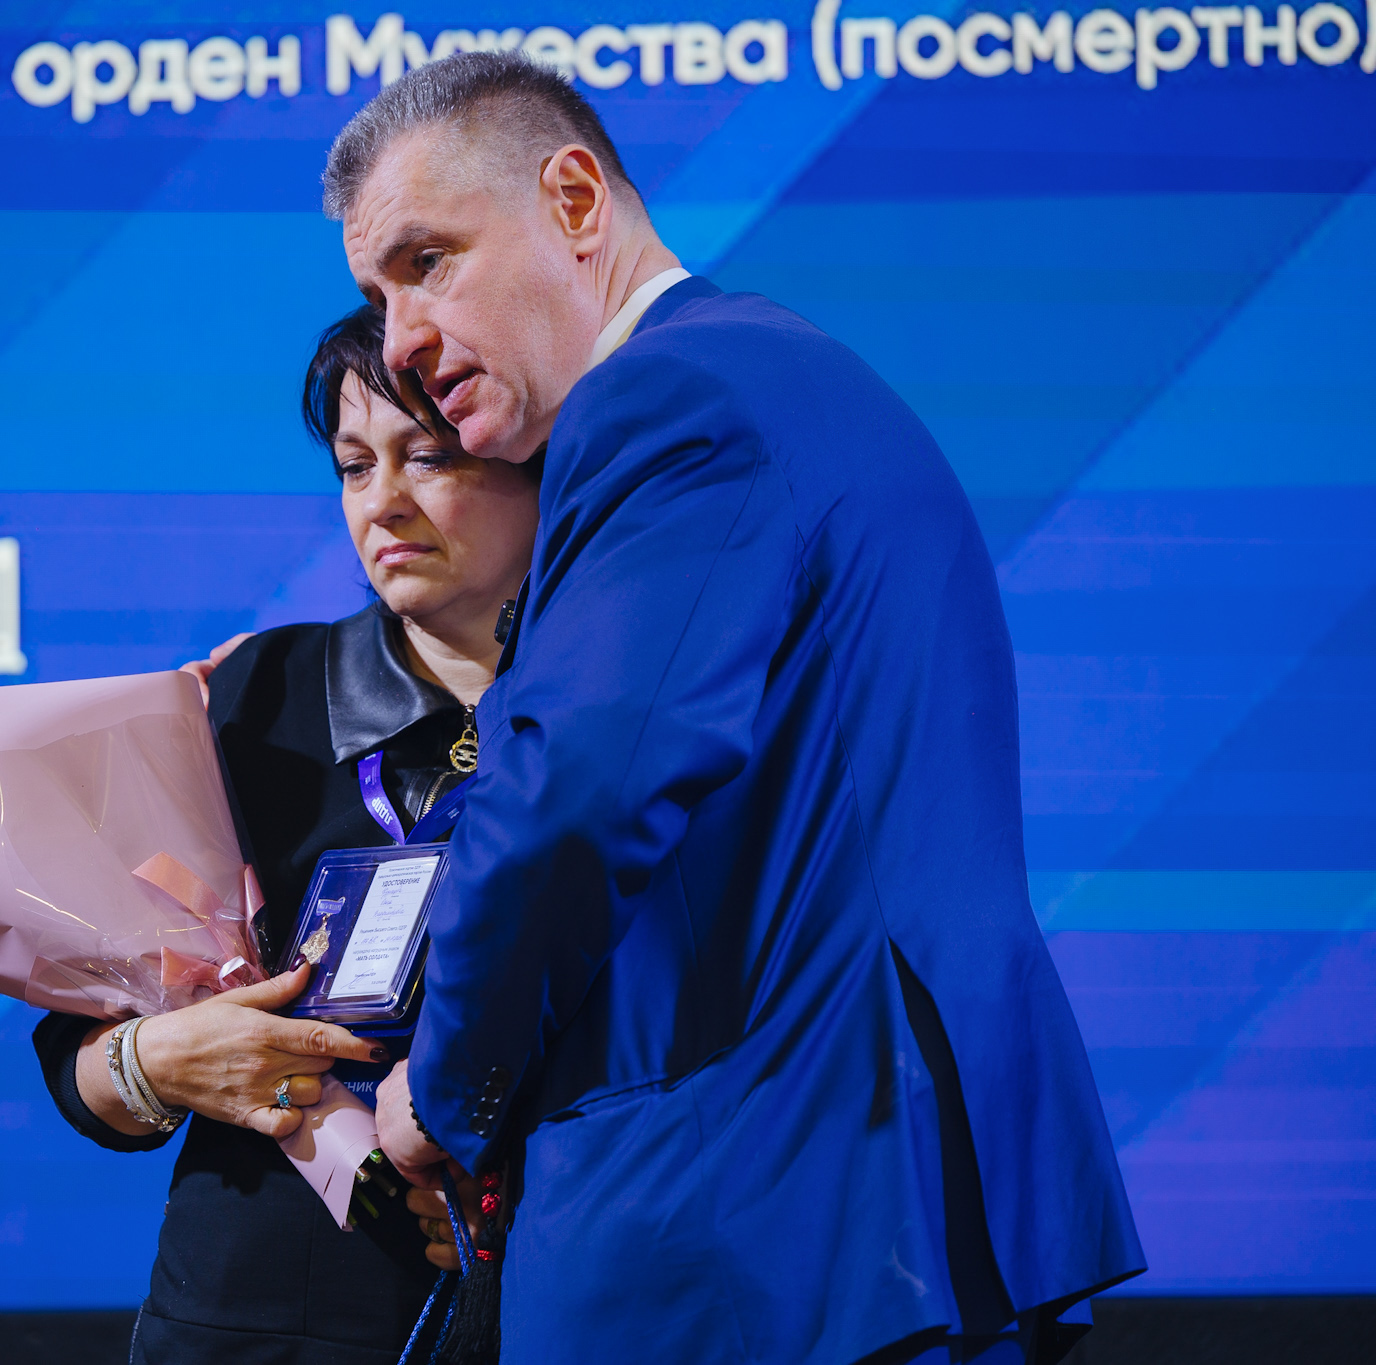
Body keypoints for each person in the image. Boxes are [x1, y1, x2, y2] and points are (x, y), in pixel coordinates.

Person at [318, 51, 1147, 1365]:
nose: (404, 339)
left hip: (759, 1212)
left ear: (575, 201)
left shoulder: (670, 402)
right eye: (378, 293)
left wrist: (449, 1083)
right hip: (882, 1195)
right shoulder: (787, 376)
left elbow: (580, 797)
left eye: (429, 262)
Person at [29, 304, 539, 1363]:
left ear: (536, 459)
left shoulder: (638, 710)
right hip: (256, 1316)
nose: (383, 501)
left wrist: (515, 1181)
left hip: (558, 1298)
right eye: (354, 466)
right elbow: (74, 1059)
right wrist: (159, 1061)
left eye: (427, 457)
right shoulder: (249, 698)